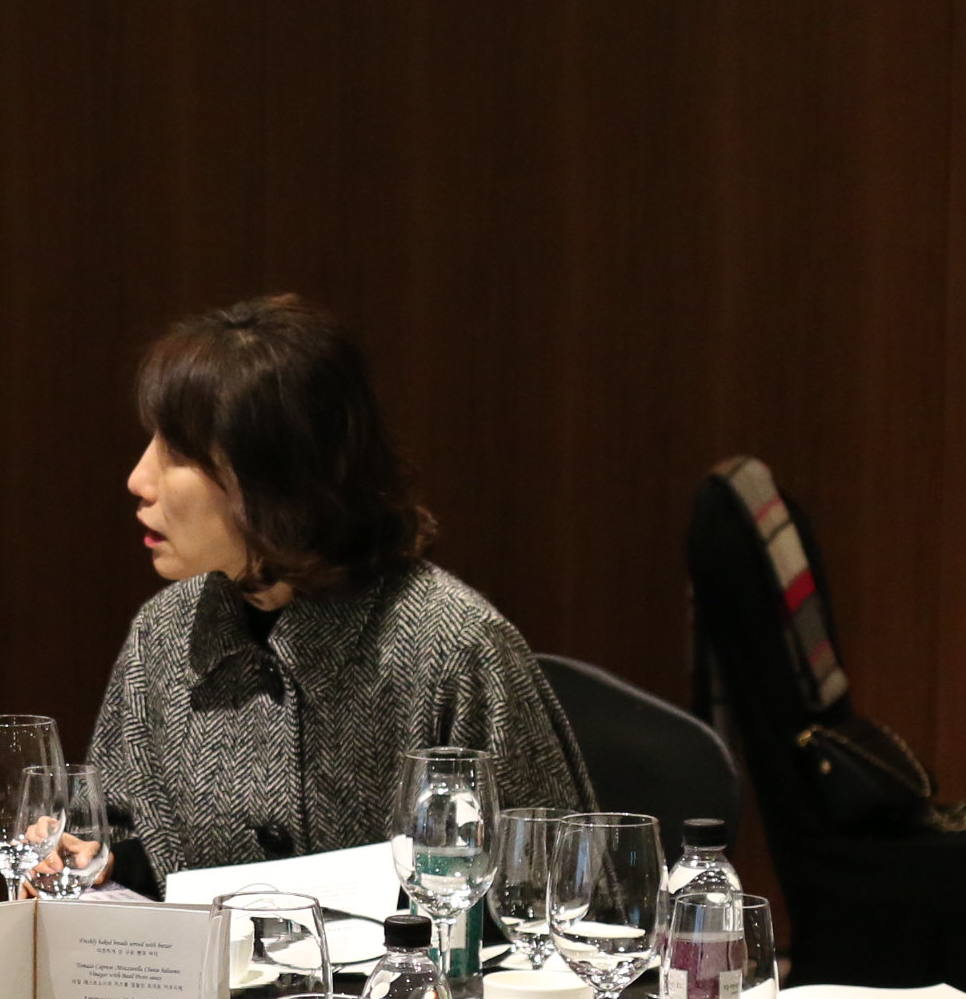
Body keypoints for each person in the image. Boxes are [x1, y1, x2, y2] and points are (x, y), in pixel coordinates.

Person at [87, 294, 590, 887]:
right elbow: (119, 836)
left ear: (275, 476)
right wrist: (93, 861)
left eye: (176, 453)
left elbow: (556, 895)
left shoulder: (453, 647)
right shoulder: (166, 633)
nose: (138, 479)